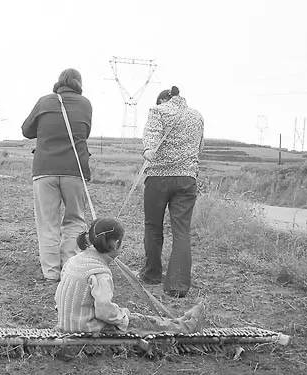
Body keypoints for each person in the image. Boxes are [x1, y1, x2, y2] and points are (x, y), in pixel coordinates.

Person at [54, 218, 204, 334]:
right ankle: (185, 327)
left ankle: (179, 322)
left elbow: (59, 296)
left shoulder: (73, 261)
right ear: (117, 244)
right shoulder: (100, 273)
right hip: (88, 328)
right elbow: (104, 312)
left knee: (126, 315)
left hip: (66, 323)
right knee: (140, 322)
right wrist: (122, 316)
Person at [22, 68, 92, 282]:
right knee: (75, 220)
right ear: (78, 83)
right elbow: (85, 132)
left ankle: (51, 272)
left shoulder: (44, 102)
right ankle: (70, 269)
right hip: (75, 169)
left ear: (59, 82)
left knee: (48, 222)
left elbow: (26, 130)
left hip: (45, 170)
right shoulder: (85, 104)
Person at [138, 86, 204, 298]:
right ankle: (177, 285)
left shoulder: (158, 111)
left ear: (163, 101)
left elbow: (150, 143)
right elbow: (200, 147)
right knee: (181, 231)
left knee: (153, 226)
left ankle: (152, 274)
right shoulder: (197, 116)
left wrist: (148, 151)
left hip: (158, 178)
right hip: (187, 179)